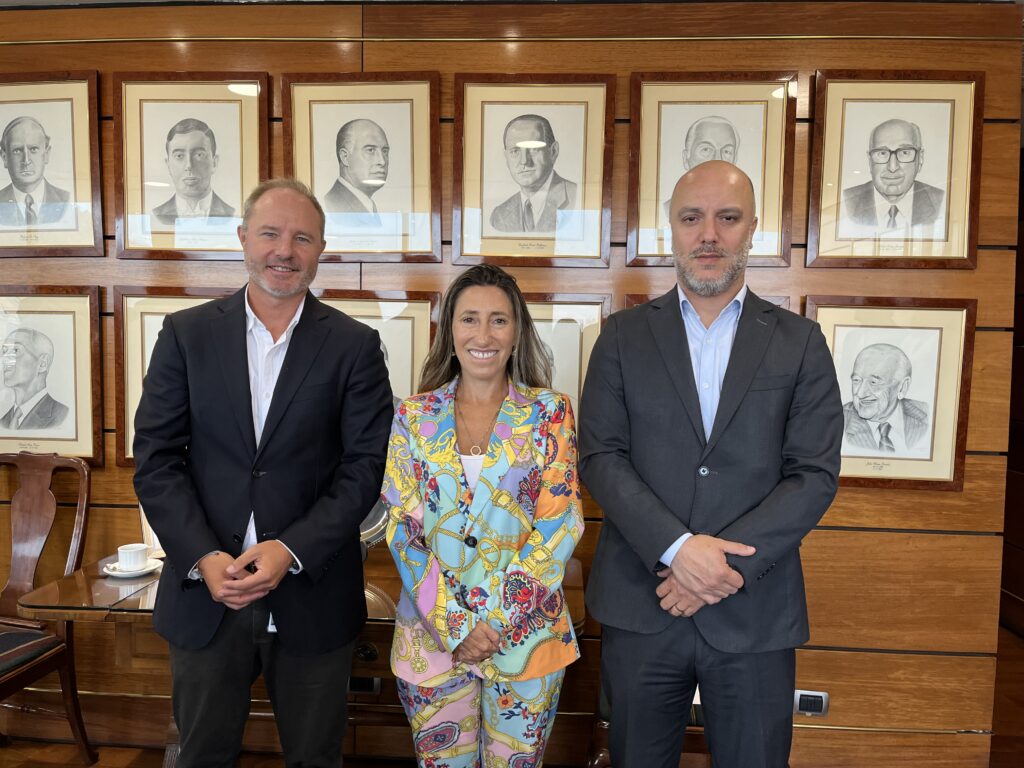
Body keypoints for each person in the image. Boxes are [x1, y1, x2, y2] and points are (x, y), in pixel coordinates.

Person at [579, 160, 843, 768]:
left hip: (754, 610)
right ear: (671, 228)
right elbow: (601, 457)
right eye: (691, 218)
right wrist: (678, 550)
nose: (708, 235)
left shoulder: (800, 342)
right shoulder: (620, 337)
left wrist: (719, 566)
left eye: (727, 218)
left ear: (753, 228)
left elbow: (813, 474)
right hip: (644, 603)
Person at [133, 178, 393, 768]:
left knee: (315, 758)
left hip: (313, 592)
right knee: (201, 756)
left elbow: (365, 469)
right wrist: (203, 556)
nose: (285, 250)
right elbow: (156, 460)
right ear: (243, 237)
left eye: (302, 238)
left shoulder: (355, 346)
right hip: (206, 593)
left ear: (321, 249)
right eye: (271, 233)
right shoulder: (186, 335)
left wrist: (289, 550)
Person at [381, 264, 584, 767]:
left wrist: (493, 621)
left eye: (499, 320)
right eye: (469, 319)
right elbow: (403, 531)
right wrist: (456, 626)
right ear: (450, 331)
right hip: (431, 643)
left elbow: (559, 526)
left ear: (517, 333)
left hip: (526, 641)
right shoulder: (413, 417)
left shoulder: (551, 413)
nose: (484, 334)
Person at [841, 118, 945, 233]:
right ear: (870, 161)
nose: (892, 167)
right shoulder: (845, 202)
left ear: (920, 159)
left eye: (904, 152)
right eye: (882, 153)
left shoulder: (942, 202)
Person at [489, 114, 577, 233]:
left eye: (533, 148)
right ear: (506, 158)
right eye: (515, 151)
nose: (524, 161)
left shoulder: (579, 199)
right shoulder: (499, 216)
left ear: (553, 151)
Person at [843, 342, 930, 454]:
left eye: (873, 382)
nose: (860, 393)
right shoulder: (838, 421)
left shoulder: (928, 415)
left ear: (902, 387)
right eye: (856, 380)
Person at [150, 118, 236, 227]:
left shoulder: (233, 215)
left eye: (199, 155)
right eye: (179, 156)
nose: (189, 165)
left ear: (214, 163)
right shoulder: (155, 217)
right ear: (168, 165)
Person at [663, 116, 741, 221]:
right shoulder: (671, 207)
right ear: (686, 158)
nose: (717, 159)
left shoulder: (742, 208)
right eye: (706, 149)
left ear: (735, 160)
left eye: (727, 151)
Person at [0, 116, 71, 227]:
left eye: (33, 149)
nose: (26, 160)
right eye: (17, 150)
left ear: (46, 154)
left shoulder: (68, 200)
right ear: (4, 158)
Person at [324, 118, 390, 226]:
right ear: (345, 157)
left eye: (385, 151)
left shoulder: (368, 205)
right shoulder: (332, 205)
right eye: (370, 150)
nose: (382, 161)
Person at [0, 327, 69, 430]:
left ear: (42, 364)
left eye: (15, 350)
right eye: (4, 352)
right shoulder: (3, 423)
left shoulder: (62, 417)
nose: (4, 359)